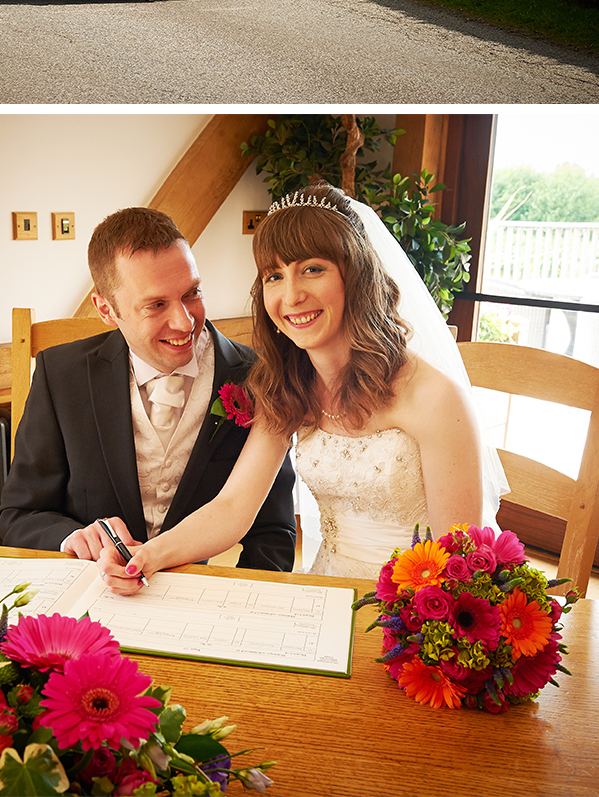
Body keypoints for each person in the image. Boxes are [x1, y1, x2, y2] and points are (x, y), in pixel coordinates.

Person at [102, 182, 505, 592]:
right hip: (325, 591)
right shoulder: (287, 386)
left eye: (312, 268)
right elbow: (232, 508)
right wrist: (148, 556)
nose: (291, 295)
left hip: (418, 604)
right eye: (274, 276)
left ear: (355, 274)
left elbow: (460, 564)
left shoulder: (435, 398)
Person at [0, 206, 297, 572]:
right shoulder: (60, 376)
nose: (184, 322)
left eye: (192, 293)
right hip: (92, 593)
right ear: (106, 310)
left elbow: (273, 532)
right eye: (156, 305)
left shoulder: (258, 378)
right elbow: (19, 515)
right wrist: (68, 537)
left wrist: (238, 607)